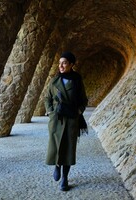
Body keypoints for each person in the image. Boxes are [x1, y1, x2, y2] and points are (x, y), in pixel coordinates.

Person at [44, 52, 88, 191]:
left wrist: (78, 112)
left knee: (69, 149)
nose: (61, 65)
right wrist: (51, 111)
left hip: (71, 119)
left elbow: (83, 100)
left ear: (71, 64)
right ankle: (57, 166)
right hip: (56, 119)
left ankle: (65, 178)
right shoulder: (54, 81)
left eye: (64, 63)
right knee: (56, 145)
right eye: (60, 63)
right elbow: (47, 98)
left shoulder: (77, 80)